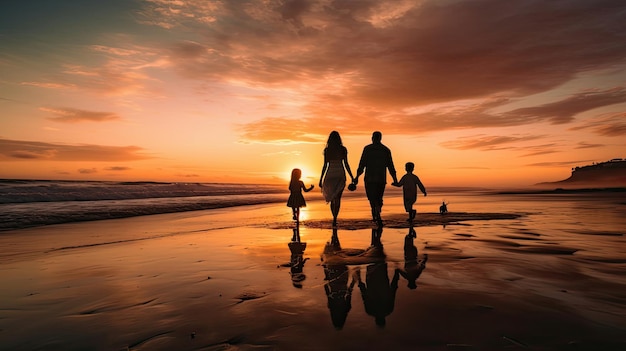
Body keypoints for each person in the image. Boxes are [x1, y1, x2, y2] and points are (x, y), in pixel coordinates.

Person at [354, 131, 398, 225]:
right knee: (378, 197)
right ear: (380, 138)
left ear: (372, 138)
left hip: (369, 179)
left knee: (371, 198)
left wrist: (356, 177)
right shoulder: (385, 150)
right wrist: (395, 179)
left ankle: (375, 214)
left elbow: (362, 164)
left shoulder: (367, 149)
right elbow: (391, 166)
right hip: (381, 179)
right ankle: (377, 212)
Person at [319, 131, 355, 227]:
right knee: (338, 198)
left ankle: (333, 217)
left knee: (331, 197)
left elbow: (325, 165)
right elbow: (346, 164)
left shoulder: (327, 150)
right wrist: (352, 176)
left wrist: (321, 179)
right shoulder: (343, 149)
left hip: (330, 174)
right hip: (340, 174)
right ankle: (335, 218)